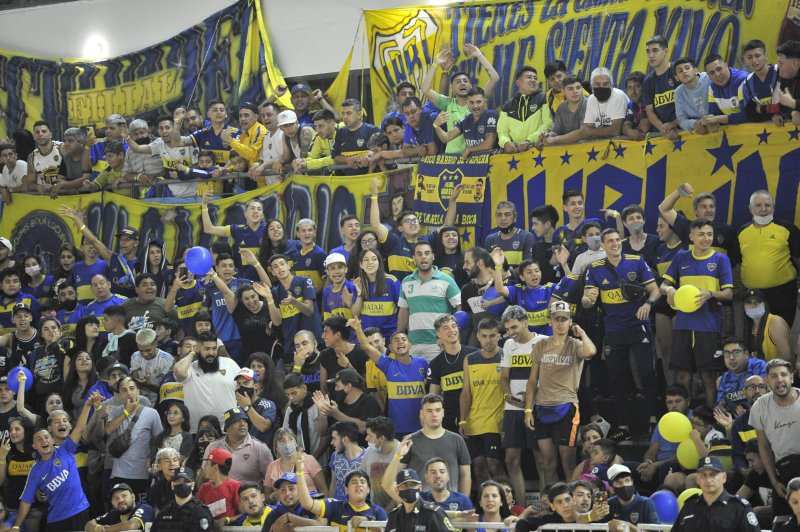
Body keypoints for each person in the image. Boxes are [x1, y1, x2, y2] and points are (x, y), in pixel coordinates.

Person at [583, 228, 661, 437]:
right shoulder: (595, 267)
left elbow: (655, 290)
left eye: (618, 240)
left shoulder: (637, 261)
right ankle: (623, 426)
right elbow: (589, 296)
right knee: (617, 378)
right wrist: (587, 300)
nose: (615, 244)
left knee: (646, 374)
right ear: (603, 245)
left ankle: (653, 420)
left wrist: (648, 304)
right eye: (610, 241)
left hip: (638, 326)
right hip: (614, 329)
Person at [662, 219, 734, 407]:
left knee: (709, 377)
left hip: (709, 326)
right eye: (701, 234)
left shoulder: (720, 259)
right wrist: (670, 291)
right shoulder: (681, 257)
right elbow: (664, 284)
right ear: (691, 236)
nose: (706, 238)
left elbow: (728, 293)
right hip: (683, 326)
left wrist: (710, 294)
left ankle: (710, 421)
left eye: (709, 234)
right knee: (682, 376)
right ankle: (682, 419)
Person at [524, 301, 597, 486]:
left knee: (568, 463)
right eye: (556, 319)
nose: (560, 323)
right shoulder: (540, 345)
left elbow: (591, 351)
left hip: (566, 407)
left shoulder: (575, 345)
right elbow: (532, 380)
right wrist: (528, 410)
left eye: (564, 319)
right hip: (542, 407)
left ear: (570, 322)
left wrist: (582, 333)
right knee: (548, 463)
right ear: (550, 322)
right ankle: (554, 502)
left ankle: (572, 503)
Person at [13, 392, 99, 532]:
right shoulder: (35, 471)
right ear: (34, 446)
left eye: (46, 438)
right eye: (39, 439)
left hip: (80, 511)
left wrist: (88, 405)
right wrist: (17, 525)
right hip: (56, 520)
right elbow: (26, 500)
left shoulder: (66, 449)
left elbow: (79, 428)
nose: (44, 441)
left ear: (52, 440)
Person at [352, 319, 427, 437]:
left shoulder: (423, 363)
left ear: (410, 344)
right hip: (397, 428)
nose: (400, 342)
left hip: (422, 426)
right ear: (391, 347)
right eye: (396, 340)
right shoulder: (388, 365)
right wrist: (357, 328)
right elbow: (366, 347)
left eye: (403, 339)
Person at [422, 45, 499, 155]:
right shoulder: (448, 103)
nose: (462, 83)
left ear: (471, 86)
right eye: (458, 82)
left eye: (465, 81)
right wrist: (435, 64)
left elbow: (494, 77)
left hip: (474, 157)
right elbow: (425, 89)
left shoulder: (478, 101)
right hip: (451, 157)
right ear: (452, 89)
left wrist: (479, 55)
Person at [738, 190, 800, 327]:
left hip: (783, 293)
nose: (763, 209)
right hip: (751, 294)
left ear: (773, 207)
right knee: (755, 334)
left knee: (781, 333)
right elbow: (738, 262)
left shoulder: (788, 229)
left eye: (767, 205)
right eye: (758, 205)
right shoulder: (741, 232)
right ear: (750, 208)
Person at [750, 358, 800, 519]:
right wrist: (774, 481)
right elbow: (763, 446)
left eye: (783, 375)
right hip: (783, 470)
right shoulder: (760, 406)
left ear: (791, 377)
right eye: (774, 376)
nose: (779, 380)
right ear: (767, 381)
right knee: (782, 522)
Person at [398, 242, 461, 361]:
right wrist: (400, 336)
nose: (423, 257)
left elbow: (459, 309)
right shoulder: (406, 282)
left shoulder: (447, 280)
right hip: (413, 344)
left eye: (427, 253)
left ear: (433, 256)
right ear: (413, 258)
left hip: (438, 344)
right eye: (419, 254)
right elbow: (403, 311)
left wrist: (450, 340)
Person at [459, 318, 504, 485]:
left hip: (496, 422)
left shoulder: (506, 356)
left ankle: (506, 505)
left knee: (495, 465)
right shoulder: (470, 359)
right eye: (484, 336)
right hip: (474, 421)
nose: (488, 340)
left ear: (499, 336)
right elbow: (466, 392)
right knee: (478, 467)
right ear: (478, 336)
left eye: (492, 336)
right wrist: (463, 419)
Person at [398, 394, 471, 495]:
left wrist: (464, 503)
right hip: (421, 505)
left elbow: (465, 475)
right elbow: (397, 475)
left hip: (452, 506)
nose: (434, 414)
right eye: (429, 411)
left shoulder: (457, 440)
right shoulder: (410, 441)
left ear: (443, 413)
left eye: (437, 410)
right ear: (422, 413)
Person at [295, 453, 388, 532]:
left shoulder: (378, 512)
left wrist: (368, 522)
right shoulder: (335, 507)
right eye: (354, 482)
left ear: (368, 490)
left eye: (363, 482)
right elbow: (306, 503)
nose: (359, 485)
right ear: (346, 490)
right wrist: (299, 472)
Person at [105, 377, 163, 498]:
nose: (129, 393)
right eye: (124, 390)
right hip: (119, 472)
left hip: (142, 472)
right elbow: (108, 429)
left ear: (138, 391)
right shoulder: (116, 411)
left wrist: (152, 459)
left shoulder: (152, 413)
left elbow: (159, 440)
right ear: (120, 394)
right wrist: (126, 412)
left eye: (132, 388)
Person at [672, 456, 760, 532]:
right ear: (697, 479)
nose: (708, 480)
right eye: (703, 475)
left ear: (724, 477)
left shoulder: (738, 508)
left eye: (713, 475)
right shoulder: (689, 507)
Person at [174, 332, 239, 432]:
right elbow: (179, 372)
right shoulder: (190, 368)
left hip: (228, 429)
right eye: (207, 349)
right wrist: (192, 353)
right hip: (198, 431)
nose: (211, 353)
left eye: (214, 348)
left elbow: (241, 386)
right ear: (198, 349)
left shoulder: (229, 363)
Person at [203, 407, 273, 485]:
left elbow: (270, 480)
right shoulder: (213, 447)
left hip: (247, 494)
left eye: (245, 421)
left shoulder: (260, 448)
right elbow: (205, 475)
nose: (242, 424)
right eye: (237, 421)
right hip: (220, 494)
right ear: (227, 427)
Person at [497, 66, 551, 152]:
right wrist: (506, 143)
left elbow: (548, 124)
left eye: (535, 78)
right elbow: (502, 132)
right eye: (529, 77)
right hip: (515, 155)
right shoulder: (507, 106)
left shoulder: (544, 98)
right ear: (518, 82)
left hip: (539, 151)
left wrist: (529, 141)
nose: (533, 80)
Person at [432, 87, 497, 157]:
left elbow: (489, 144)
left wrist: (470, 149)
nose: (475, 106)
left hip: (491, 164)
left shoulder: (491, 115)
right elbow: (446, 138)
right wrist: (436, 125)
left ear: (484, 101)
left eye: (479, 102)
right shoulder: (465, 121)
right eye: (471, 102)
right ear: (467, 103)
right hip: (473, 164)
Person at [385, 468, 456, 532]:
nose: (409, 488)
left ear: (420, 487)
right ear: (397, 490)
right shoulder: (394, 516)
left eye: (413, 485)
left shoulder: (433, 513)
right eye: (405, 486)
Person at [264, 428, 326, 500]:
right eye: (282, 441)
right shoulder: (272, 466)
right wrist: (274, 495)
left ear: (296, 443)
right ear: (276, 447)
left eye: (290, 439)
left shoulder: (309, 460)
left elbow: (323, 490)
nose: (287, 444)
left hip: (310, 505)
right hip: (283, 507)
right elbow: (267, 495)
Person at [150, 466, 214, 532]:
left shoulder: (201, 512)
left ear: (192, 485)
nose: (182, 484)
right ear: (172, 485)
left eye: (186, 481)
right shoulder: (164, 513)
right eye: (178, 481)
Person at [282, 373, 327, 459]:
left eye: (294, 393)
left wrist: (313, 458)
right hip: (298, 459)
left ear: (304, 388)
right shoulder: (290, 410)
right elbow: (286, 433)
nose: (290, 398)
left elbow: (324, 435)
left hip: (318, 458)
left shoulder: (317, 405)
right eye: (287, 395)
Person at [642, 35, 679, 139]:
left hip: (685, 128)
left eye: (655, 50)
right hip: (663, 132)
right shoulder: (648, 81)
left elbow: (690, 103)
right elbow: (650, 111)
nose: (651, 55)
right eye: (648, 51)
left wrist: (673, 124)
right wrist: (663, 128)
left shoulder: (678, 70)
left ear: (665, 51)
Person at [332, 98, 379, 175]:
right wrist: (347, 160)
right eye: (343, 113)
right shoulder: (340, 132)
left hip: (368, 178)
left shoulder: (372, 130)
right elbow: (335, 157)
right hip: (345, 180)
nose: (345, 117)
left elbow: (380, 153)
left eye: (349, 113)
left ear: (359, 114)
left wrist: (369, 155)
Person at [484, 201, 537, 268]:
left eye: (507, 214)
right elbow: (488, 268)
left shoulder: (526, 237)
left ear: (515, 218)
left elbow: (528, 267)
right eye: (499, 215)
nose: (503, 218)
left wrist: (506, 274)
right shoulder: (490, 240)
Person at [84, 482, 154, 532]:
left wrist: (105, 529)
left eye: (124, 496)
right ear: (112, 503)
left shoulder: (144, 508)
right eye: (115, 498)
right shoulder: (114, 513)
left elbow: (132, 525)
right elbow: (88, 524)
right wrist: (97, 528)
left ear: (133, 497)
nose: (120, 500)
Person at [362, 416, 400, 508]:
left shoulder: (402, 452)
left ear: (382, 438)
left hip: (397, 511)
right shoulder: (368, 452)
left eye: (370, 435)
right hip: (375, 509)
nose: (366, 439)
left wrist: (388, 511)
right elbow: (362, 479)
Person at [703, 54, 748, 127]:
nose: (717, 74)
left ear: (726, 65)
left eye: (719, 69)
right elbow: (714, 115)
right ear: (708, 76)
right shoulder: (712, 87)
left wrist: (718, 119)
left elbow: (748, 115)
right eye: (712, 73)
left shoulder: (743, 80)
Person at [197, 447, 240, 524]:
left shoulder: (235, 486)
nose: (204, 467)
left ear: (215, 468)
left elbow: (244, 514)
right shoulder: (204, 487)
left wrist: (227, 520)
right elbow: (197, 512)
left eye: (207, 464)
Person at [582, 67, 628, 138]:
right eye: (597, 84)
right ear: (591, 87)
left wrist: (590, 132)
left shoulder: (618, 96)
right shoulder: (591, 99)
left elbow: (615, 131)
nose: (601, 87)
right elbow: (587, 127)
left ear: (611, 85)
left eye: (605, 84)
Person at [542, 75, 588, 146]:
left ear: (582, 89)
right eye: (570, 89)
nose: (575, 91)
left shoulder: (588, 104)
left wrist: (554, 139)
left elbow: (582, 133)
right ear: (563, 91)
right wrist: (547, 136)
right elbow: (556, 131)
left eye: (578, 88)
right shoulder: (561, 107)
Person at [674, 56, 713, 133]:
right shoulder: (678, 92)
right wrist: (693, 124)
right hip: (698, 128)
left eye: (687, 68)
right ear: (676, 77)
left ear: (695, 70)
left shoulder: (708, 78)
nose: (684, 72)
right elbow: (681, 120)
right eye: (680, 71)